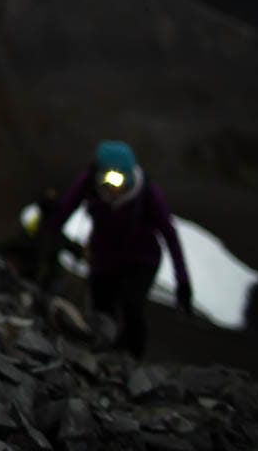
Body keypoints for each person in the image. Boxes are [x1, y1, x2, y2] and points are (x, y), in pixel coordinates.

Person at [46, 140, 192, 357]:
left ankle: (133, 362)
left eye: (120, 182)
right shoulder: (88, 182)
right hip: (104, 259)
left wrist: (182, 281)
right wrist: (49, 228)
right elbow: (66, 209)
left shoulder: (147, 193)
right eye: (108, 181)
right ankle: (102, 360)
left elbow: (169, 234)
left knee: (132, 307)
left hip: (141, 259)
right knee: (101, 312)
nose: (114, 189)